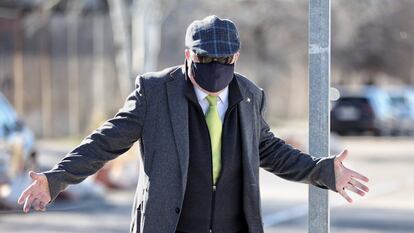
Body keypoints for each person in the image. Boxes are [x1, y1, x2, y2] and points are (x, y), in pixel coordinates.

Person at [17, 15, 369, 233]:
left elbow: (271, 150)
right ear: (188, 54)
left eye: (223, 59)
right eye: (204, 58)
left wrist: (324, 172)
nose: (214, 67)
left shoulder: (249, 95)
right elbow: (106, 140)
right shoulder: (155, 93)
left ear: (236, 57)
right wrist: (56, 178)